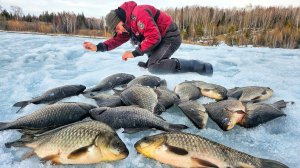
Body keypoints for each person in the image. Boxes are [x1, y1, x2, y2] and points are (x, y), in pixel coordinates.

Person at [83, 1, 213, 76]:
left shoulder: (139, 13)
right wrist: (98, 47)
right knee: (137, 42)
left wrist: (134, 53)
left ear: (120, 20)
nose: (119, 31)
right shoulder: (127, 25)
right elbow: (116, 40)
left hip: (170, 37)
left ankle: (199, 67)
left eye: (117, 28)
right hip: (160, 39)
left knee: (154, 67)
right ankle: (154, 61)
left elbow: (154, 37)